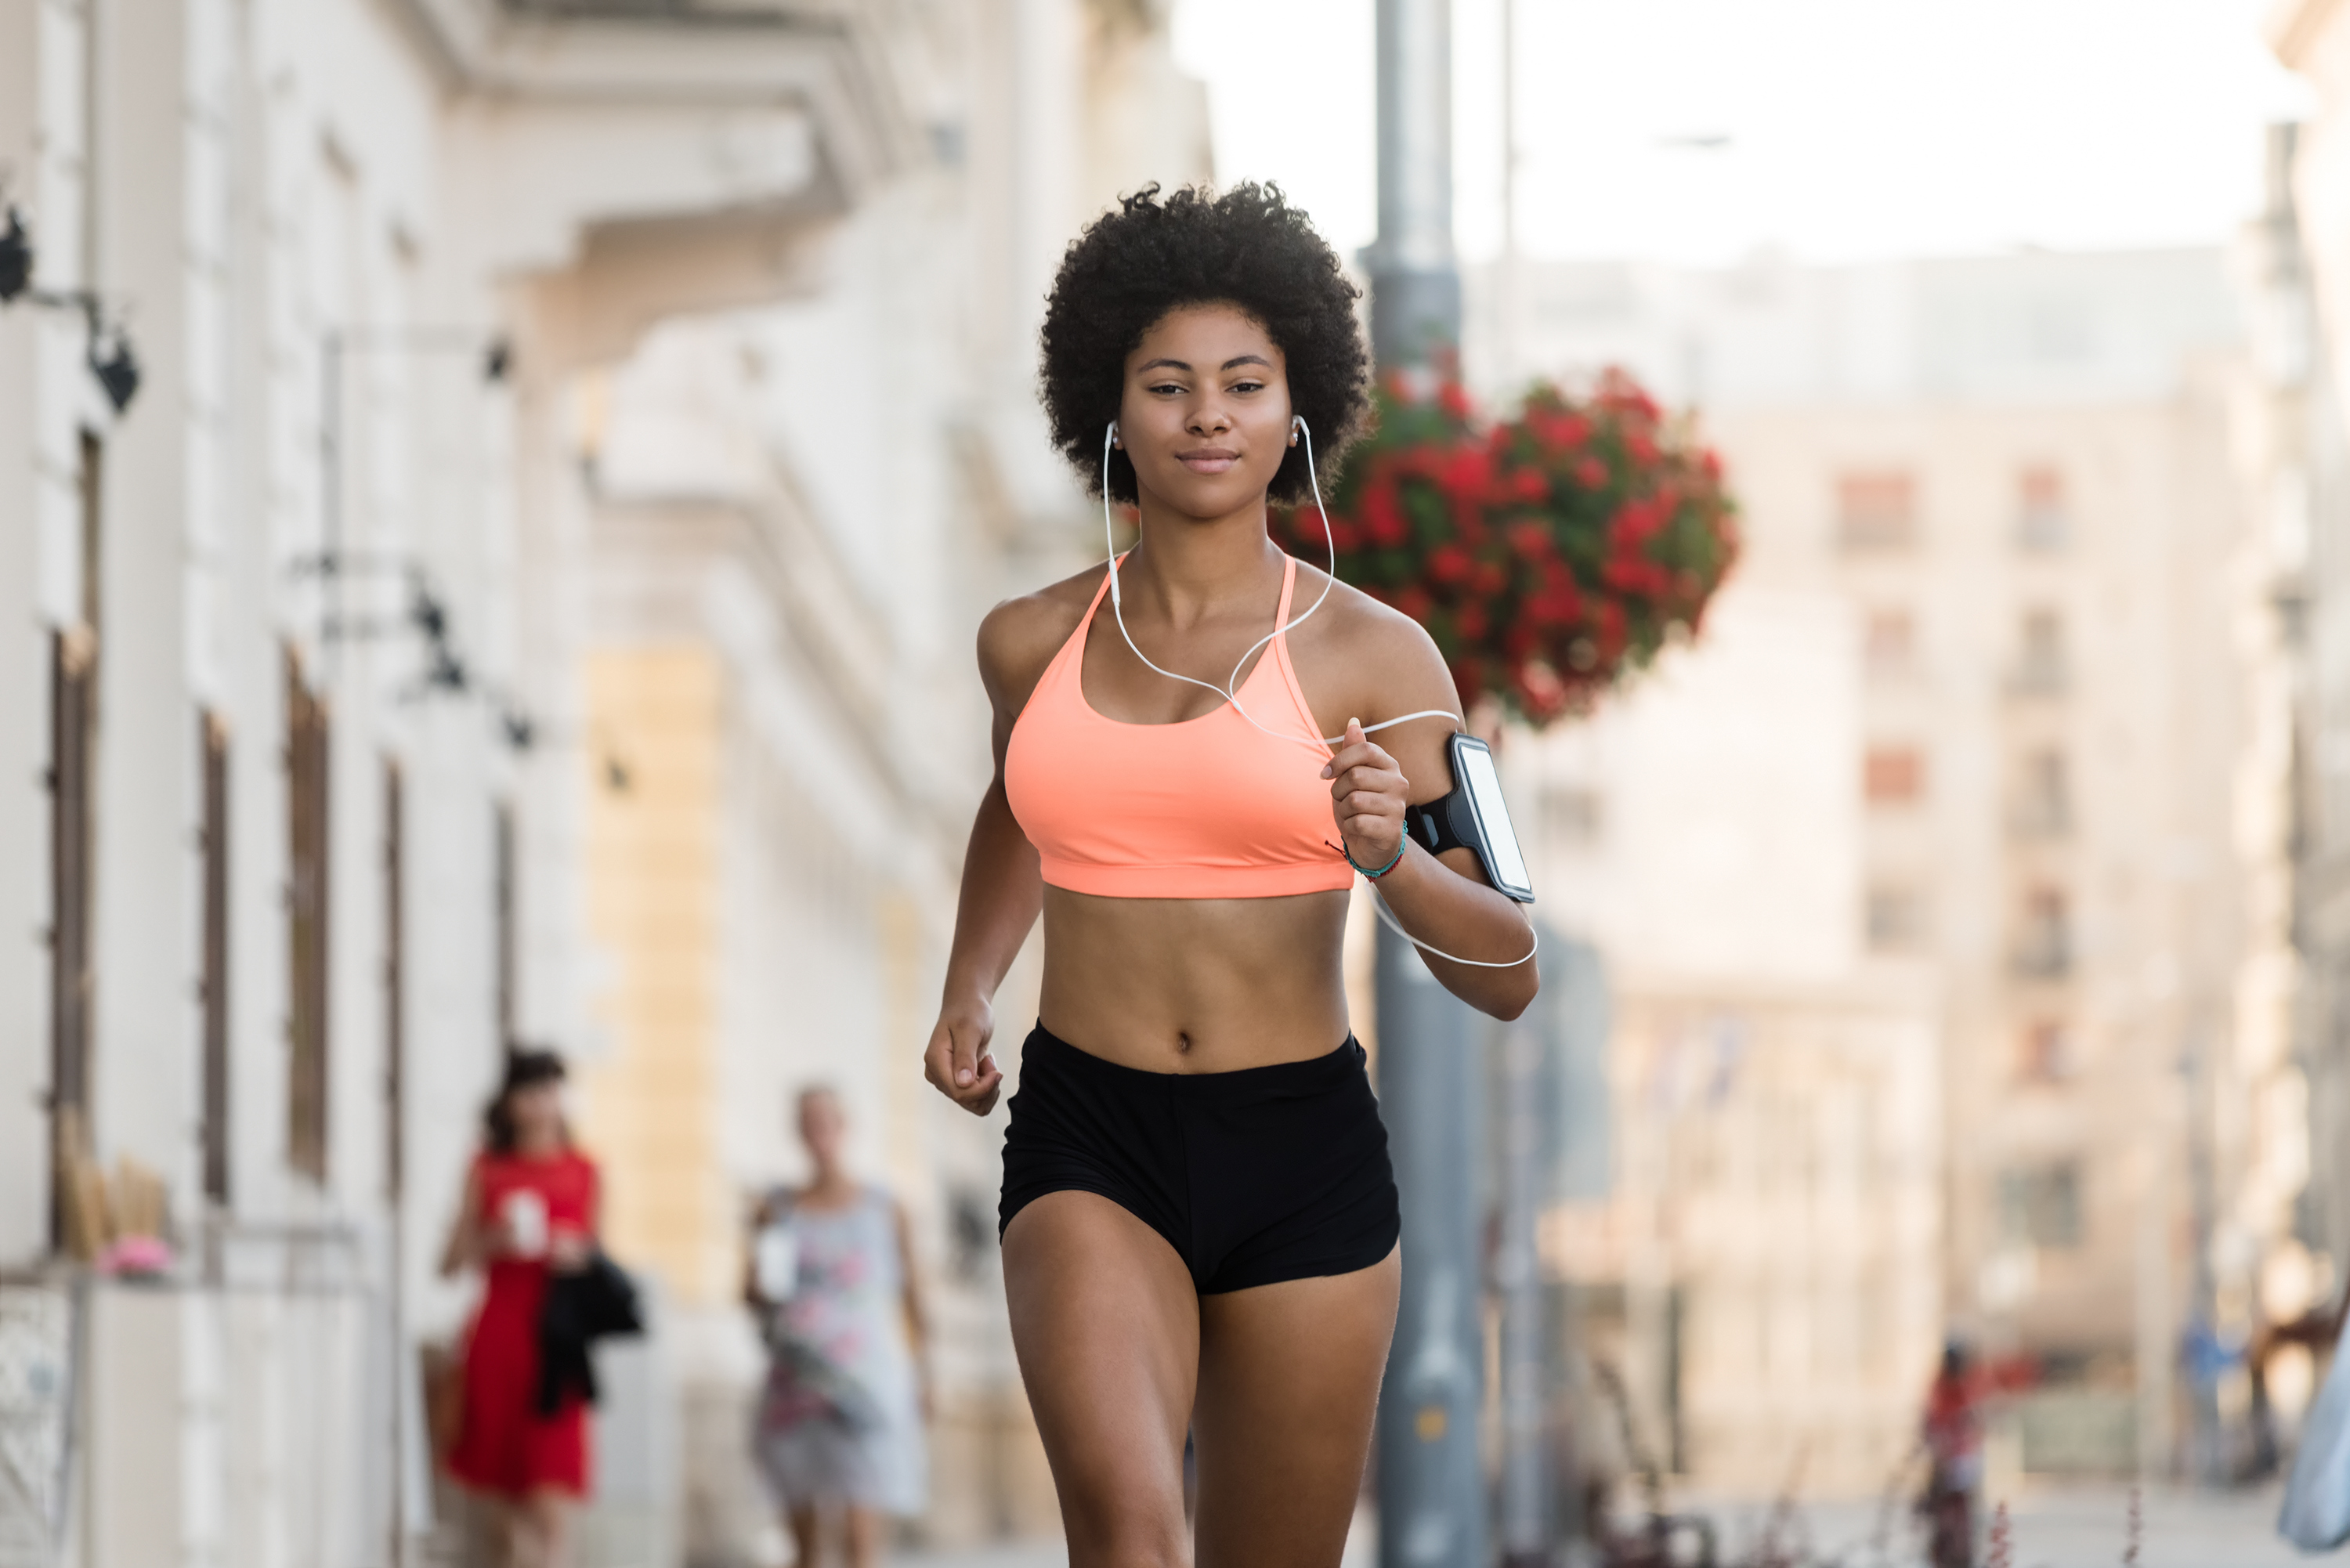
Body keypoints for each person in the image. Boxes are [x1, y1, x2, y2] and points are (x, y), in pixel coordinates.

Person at [923, 182, 1540, 1567]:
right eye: (1169, 383)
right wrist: (970, 982)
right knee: (1132, 1539)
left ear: (1295, 410)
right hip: (1093, 1133)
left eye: (1244, 383)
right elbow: (1026, 805)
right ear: (1112, 414)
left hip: (1303, 1150)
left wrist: (1390, 860)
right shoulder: (1027, 642)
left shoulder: (1383, 660)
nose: (1208, 414)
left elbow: (1508, 967)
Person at [747, 1086, 930, 1568]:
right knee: (804, 1545)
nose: (818, 1131)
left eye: (827, 1120)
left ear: (844, 1126)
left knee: (860, 1540)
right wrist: (762, 1286)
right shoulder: (775, 1208)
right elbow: (749, 1291)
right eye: (808, 1122)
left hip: (864, 1386)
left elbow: (913, 1298)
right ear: (798, 1132)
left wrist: (926, 1376)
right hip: (795, 1384)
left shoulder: (886, 1208)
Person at [439, 1049, 601, 1568]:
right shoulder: (487, 1170)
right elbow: (447, 1262)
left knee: (550, 1495)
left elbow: (600, 1258)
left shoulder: (584, 1171)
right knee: (505, 1500)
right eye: (530, 1092)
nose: (541, 1104)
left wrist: (579, 1254)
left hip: (557, 1342)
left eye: (551, 1091)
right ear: (509, 1103)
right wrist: (491, 1240)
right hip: (500, 1337)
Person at [1920, 1340, 1984, 1568]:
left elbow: (1975, 1421)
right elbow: (1930, 1422)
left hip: (1962, 1459)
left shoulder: (1967, 1387)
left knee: (1960, 1510)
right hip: (1947, 1459)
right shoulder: (1940, 1388)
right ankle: (1946, 1550)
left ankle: (1959, 1551)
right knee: (1944, 1511)